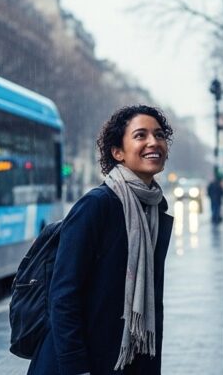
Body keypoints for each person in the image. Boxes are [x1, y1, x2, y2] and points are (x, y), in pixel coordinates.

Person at [29, 104, 174, 375]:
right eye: (140, 135)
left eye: (159, 135)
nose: (153, 142)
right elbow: (63, 295)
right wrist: (76, 367)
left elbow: (152, 303)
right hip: (82, 363)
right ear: (118, 152)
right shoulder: (97, 205)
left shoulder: (154, 210)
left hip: (126, 361)